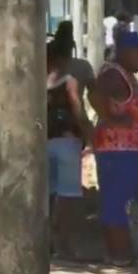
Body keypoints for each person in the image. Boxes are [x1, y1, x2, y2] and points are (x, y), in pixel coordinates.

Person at [92, 31, 138, 266]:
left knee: (121, 200)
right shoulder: (113, 74)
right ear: (126, 52)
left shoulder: (126, 75)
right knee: (117, 202)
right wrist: (110, 118)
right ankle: (120, 255)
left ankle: (118, 253)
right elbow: (95, 95)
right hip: (118, 149)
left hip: (128, 149)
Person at [46, 39, 91, 259]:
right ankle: (62, 242)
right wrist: (90, 138)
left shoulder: (33, 81)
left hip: (41, 141)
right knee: (69, 195)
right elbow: (78, 112)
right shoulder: (69, 81)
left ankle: (49, 240)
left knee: (49, 192)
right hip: (67, 140)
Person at [53, 20, 96, 105]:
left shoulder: (83, 66)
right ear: (72, 45)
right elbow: (94, 93)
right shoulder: (83, 66)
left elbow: (94, 93)